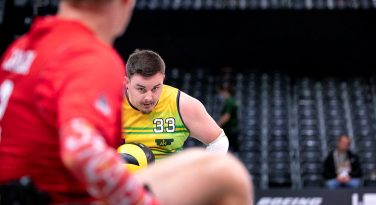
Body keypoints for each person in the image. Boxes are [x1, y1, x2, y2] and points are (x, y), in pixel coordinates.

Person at [0, 0, 253, 204]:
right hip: (59, 196)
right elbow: (81, 150)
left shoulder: (21, 48)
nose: (148, 96)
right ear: (126, 3)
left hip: (19, 190)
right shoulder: (89, 57)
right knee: (226, 175)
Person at [122, 50, 229, 160]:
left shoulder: (182, 105)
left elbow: (218, 140)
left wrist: (203, 172)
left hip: (168, 176)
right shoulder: (111, 105)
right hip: (121, 176)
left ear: (163, 79)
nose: (149, 97)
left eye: (155, 88)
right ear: (126, 83)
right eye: (141, 89)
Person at [217, 83, 240, 153]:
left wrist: (217, 125)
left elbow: (226, 116)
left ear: (225, 91)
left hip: (230, 130)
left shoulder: (229, 102)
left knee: (230, 151)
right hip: (231, 129)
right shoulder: (230, 101)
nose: (220, 94)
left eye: (220, 92)